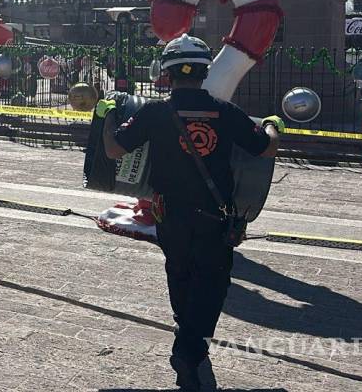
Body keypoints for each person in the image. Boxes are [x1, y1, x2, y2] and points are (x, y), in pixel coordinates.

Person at [97, 35, 281, 391]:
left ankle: (187, 340)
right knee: (211, 285)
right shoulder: (224, 112)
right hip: (214, 219)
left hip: (169, 217)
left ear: (166, 75)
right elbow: (265, 149)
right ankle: (189, 350)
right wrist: (274, 125)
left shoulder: (153, 112)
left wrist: (106, 118)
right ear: (205, 71)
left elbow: (113, 149)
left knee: (179, 274)